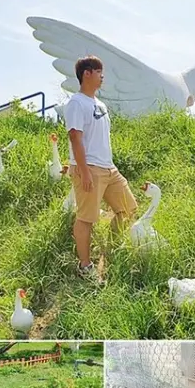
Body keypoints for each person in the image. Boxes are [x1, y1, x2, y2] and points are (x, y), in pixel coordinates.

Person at [64, 55, 137, 277]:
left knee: (129, 208)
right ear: (87, 74)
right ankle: (85, 266)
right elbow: (75, 138)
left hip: (108, 168)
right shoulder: (76, 103)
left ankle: (110, 250)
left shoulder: (100, 104)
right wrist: (84, 171)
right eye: (98, 72)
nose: (102, 76)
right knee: (86, 218)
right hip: (90, 168)